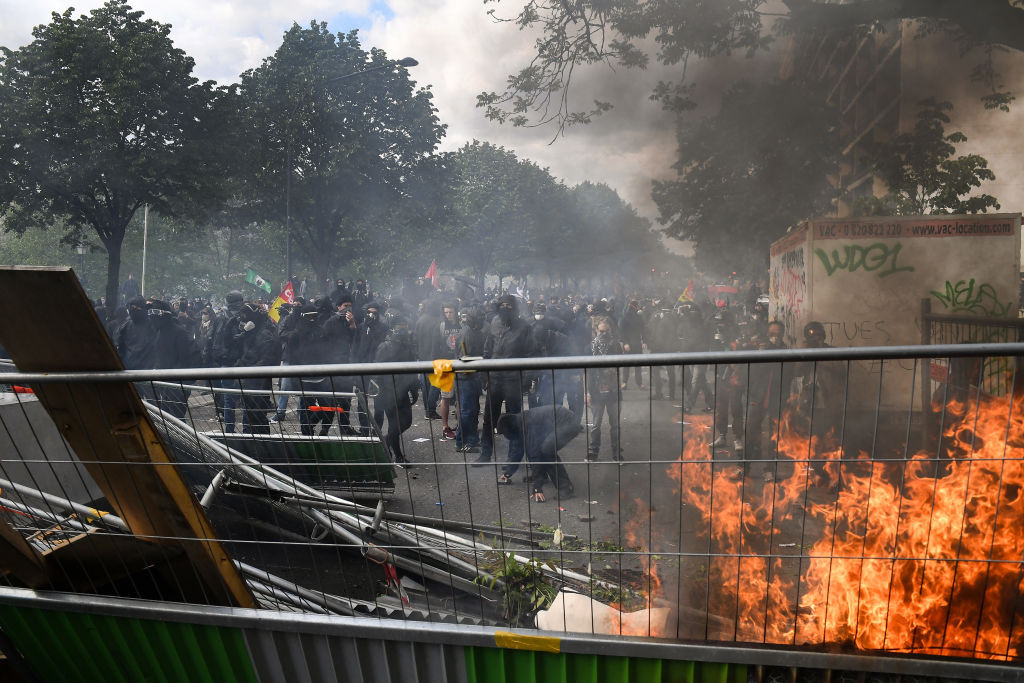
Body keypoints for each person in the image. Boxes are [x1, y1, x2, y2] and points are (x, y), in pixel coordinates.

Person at [475, 294, 538, 467]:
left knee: (515, 419)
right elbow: (488, 349)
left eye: (508, 305)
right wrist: (483, 374)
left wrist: (526, 379)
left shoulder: (524, 327)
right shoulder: (494, 323)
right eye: (502, 304)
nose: (505, 307)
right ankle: (485, 454)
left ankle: (513, 459)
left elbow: (530, 353)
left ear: (515, 307)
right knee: (489, 418)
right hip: (494, 378)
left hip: (512, 379)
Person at [496, 406, 580, 502]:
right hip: (559, 422)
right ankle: (543, 476)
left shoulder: (528, 425)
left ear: (510, 429)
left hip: (568, 423)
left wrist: (537, 487)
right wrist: (508, 473)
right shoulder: (519, 423)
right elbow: (517, 450)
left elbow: (535, 456)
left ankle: (565, 487)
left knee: (546, 450)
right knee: (536, 447)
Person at [372, 311, 419, 464]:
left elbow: (411, 369)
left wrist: (414, 388)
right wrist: (379, 393)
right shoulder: (384, 347)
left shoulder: (408, 345)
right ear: (392, 329)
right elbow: (377, 372)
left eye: (405, 328)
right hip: (388, 393)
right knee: (394, 424)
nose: (403, 331)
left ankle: (386, 441)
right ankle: (398, 456)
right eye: (400, 328)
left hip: (403, 391)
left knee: (406, 422)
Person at [234, 302, 281, 434]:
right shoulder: (251, 332)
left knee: (257, 418)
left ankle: (262, 447)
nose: (242, 319)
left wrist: (250, 370)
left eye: (245, 315)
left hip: (259, 383)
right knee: (249, 418)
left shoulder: (265, 333)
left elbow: (268, 358)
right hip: (249, 382)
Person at [586, 319, 624, 461]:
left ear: (610, 331)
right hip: (596, 390)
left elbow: (621, 364)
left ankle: (616, 453)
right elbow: (587, 372)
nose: (603, 334)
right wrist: (587, 392)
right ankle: (593, 452)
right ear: (596, 331)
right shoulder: (589, 347)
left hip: (613, 390)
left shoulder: (616, 346)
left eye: (606, 331)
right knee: (596, 424)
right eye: (601, 331)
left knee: (615, 425)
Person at [453, 306, 486, 454]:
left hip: (472, 376)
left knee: (473, 410)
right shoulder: (467, 334)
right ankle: (462, 442)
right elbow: (464, 358)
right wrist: (483, 360)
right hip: (465, 377)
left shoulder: (473, 332)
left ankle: (472, 440)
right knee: (467, 411)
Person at [435, 301, 462, 439]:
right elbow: (438, 343)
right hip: (445, 364)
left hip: (459, 363)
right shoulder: (441, 325)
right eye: (446, 312)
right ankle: (445, 427)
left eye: (450, 312)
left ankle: (460, 425)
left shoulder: (461, 324)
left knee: (459, 397)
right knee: (445, 397)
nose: (448, 315)